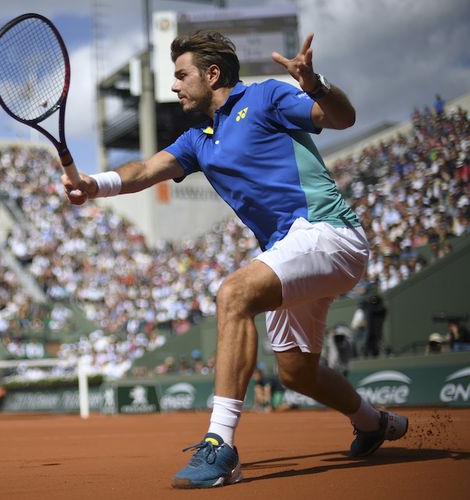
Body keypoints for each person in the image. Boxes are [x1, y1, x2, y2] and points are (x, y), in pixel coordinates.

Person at [62, 31, 408, 489]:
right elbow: (144, 171)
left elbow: (342, 118)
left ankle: (219, 444)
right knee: (297, 373)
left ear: (212, 74)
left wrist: (316, 84)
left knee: (234, 293)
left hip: (329, 233)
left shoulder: (266, 97)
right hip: (290, 250)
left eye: (181, 75)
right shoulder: (198, 140)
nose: (174, 86)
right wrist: (95, 184)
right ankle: (372, 422)